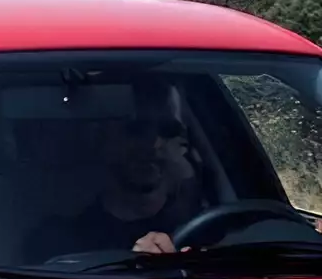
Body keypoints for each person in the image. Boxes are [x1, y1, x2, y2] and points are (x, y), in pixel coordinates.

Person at [26, 81, 203, 259]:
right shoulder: (61, 240)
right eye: (135, 130)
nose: (154, 143)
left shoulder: (205, 226)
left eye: (167, 130)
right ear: (101, 140)